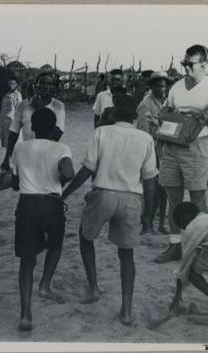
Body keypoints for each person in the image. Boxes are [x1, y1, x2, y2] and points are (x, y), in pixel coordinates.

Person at [62, 95, 156, 325]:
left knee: (86, 237)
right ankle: (126, 309)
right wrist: (149, 215)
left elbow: (86, 170)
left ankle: (93, 287)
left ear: (113, 113)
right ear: (135, 116)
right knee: (126, 254)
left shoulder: (101, 133)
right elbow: (150, 180)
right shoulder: (146, 138)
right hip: (132, 198)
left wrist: (65, 193)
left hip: (103, 193)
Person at [155, 44, 208, 264]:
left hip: (197, 146)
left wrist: (198, 114)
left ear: (204, 65)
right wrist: (171, 115)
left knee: (198, 199)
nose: (186, 66)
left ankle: (202, 247)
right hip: (172, 145)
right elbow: (163, 111)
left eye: (190, 63)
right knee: (173, 199)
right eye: (184, 62)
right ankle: (175, 245)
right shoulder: (176, 86)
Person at [10, 107, 74, 331]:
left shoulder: (20, 147)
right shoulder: (61, 148)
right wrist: (58, 183)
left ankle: (26, 313)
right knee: (55, 246)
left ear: (33, 127)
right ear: (55, 128)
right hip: (51, 204)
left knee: (26, 261)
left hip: (27, 204)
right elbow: (68, 173)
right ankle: (45, 285)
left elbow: (16, 182)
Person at [0, 72, 65, 171]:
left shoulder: (58, 106)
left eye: (49, 84)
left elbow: (56, 135)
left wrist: (39, 108)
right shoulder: (23, 105)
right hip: (27, 154)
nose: (45, 86)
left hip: (48, 156)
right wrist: (7, 158)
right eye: (42, 83)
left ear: (52, 87)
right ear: (35, 85)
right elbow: (13, 133)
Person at [135, 71, 172, 234]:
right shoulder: (146, 104)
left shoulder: (167, 102)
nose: (161, 88)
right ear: (151, 86)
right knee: (152, 190)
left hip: (167, 150)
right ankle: (147, 223)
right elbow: (143, 133)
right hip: (153, 151)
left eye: (163, 85)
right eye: (157, 85)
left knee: (165, 189)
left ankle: (160, 224)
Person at [0, 77, 23, 148]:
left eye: (13, 84)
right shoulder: (7, 94)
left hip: (12, 120)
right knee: (6, 142)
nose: (11, 85)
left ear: (16, 85)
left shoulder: (17, 95)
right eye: (10, 84)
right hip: (3, 119)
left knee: (12, 142)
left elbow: (19, 109)